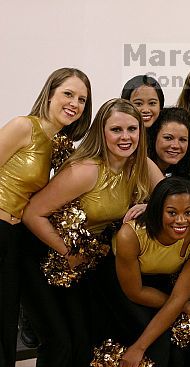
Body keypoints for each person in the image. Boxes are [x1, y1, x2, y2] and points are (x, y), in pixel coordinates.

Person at [21, 98, 163, 367]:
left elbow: (176, 197)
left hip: (85, 260)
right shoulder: (85, 170)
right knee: (60, 343)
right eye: (116, 130)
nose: (125, 137)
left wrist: (149, 205)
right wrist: (67, 252)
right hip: (43, 254)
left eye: (132, 129)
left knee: (84, 341)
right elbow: (32, 214)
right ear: (102, 131)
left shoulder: (139, 164)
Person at [0, 67, 91, 367]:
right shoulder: (22, 126)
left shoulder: (56, 144)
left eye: (81, 99)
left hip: (14, 238)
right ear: (50, 93)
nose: (74, 104)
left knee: (5, 321)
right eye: (68, 94)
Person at [112, 176, 190, 367]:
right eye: (172, 213)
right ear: (157, 210)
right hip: (125, 289)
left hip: (167, 285)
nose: (181, 220)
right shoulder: (129, 235)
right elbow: (135, 292)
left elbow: (179, 297)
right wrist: (139, 347)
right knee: (154, 344)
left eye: (188, 212)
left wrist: (183, 304)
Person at [147, 107, 190, 186]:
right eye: (168, 138)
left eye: (182, 140)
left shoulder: (185, 173)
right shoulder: (139, 168)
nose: (176, 145)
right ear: (153, 137)